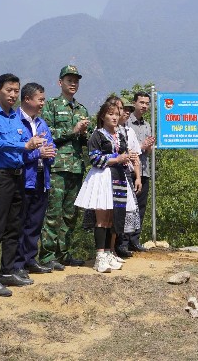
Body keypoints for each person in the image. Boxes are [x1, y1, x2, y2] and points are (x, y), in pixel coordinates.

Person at [0, 73, 44, 297]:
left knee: (14, 226)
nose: (13, 95)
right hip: (1, 177)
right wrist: (24, 145)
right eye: (9, 90)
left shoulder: (16, 117)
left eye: (16, 91)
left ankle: (8, 270)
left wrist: (30, 146)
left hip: (19, 175)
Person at [41, 65, 93, 270]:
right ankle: (47, 256)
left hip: (76, 168)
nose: (73, 83)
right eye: (69, 79)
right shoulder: (51, 106)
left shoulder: (82, 109)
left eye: (76, 80)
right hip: (57, 167)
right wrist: (73, 130)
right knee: (53, 214)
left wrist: (84, 134)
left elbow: (83, 141)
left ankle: (64, 253)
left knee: (71, 215)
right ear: (60, 82)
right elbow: (47, 133)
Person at [75, 101, 130, 273]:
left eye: (116, 114)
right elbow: (94, 159)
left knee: (111, 217)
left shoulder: (120, 134)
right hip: (102, 177)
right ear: (102, 116)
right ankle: (99, 257)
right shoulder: (97, 135)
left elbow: (124, 153)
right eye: (110, 114)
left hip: (118, 177)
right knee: (102, 217)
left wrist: (128, 158)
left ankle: (107, 252)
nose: (114, 117)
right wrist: (116, 159)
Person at [12, 83, 57, 279]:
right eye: (40, 99)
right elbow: (14, 154)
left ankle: (31, 259)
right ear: (28, 99)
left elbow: (51, 146)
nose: (42, 103)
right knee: (20, 222)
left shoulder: (41, 123)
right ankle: (17, 264)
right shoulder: (15, 121)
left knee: (35, 221)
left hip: (41, 177)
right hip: (23, 179)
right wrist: (37, 152)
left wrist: (49, 153)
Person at [123, 91, 155, 253]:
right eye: (141, 102)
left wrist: (148, 147)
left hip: (144, 170)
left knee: (140, 207)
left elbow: (146, 152)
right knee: (128, 207)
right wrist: (141, 147)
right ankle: (123, 242)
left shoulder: (147, 125)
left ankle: (135, 240)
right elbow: (129, 149)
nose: (144, 106)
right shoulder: (127, 123)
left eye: (147, 103)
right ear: (134, 103)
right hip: (129, 171)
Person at [116, 99, 143, 258]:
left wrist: (138, 177)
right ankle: (112, 247)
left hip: (128, 174)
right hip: (114, 173)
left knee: (128, 210)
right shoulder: (111, 130)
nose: (126, 113)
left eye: (129, 110)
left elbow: (136, 156)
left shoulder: (130, 131)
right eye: (124, 109)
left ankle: (122, 245)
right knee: (114, 211)